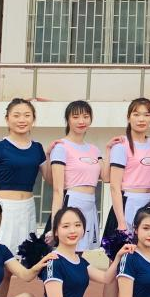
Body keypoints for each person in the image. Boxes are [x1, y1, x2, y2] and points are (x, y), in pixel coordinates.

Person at [0, 98, 49, 252]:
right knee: (2, 254)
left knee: (27, 255)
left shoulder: (37, 148)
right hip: (5, 208)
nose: (22, 120)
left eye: (27, 115)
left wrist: (53, 154)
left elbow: (50, 179)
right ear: (7, 119)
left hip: (28, 207)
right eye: (16, 115)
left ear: (33, 119)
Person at [48, 99, 101, 252]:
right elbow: (58, 190)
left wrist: (110, 149)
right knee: (69, 249)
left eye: (85, 116)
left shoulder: (94, 150)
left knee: (85, 251)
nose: (81, 121)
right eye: (76, 117)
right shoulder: (61, 147)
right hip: (72, 200)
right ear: (68, 120)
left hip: (90, 203)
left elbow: (107, 177)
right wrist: (54, 225)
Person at [107, 97, 150, 232]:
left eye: (146, 115)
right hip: (129, 202)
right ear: (128, 118)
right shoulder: (121, 145)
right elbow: (114, 187)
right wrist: (121, 221)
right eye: (136, 114)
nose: (141, 119)